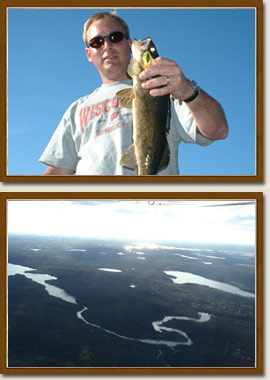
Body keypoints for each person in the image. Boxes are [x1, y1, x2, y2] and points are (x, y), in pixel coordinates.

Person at [39, 11, 228, 175]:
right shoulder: (76, 109)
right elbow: (56, 171)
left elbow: (217, 130)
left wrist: (188, 90)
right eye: (97, 42)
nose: (107, 46)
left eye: (115, 37)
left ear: (129, 44)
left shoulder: (166, 90)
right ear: (89, 54)